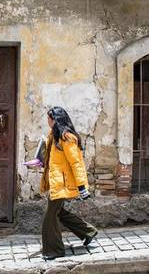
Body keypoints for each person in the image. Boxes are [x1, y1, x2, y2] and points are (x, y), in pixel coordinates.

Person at [40, 107, 98, 260]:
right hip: (55, 183)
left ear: (55, 119)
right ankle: (88, 231)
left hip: (62, 184)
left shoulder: (67, 138)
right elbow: (54, 160)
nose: (47, 121)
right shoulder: (54, 136)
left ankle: (55, 250)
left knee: (50, 218)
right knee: (59, 213)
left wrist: (82, 187)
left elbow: (76, 163)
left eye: (49, 119)